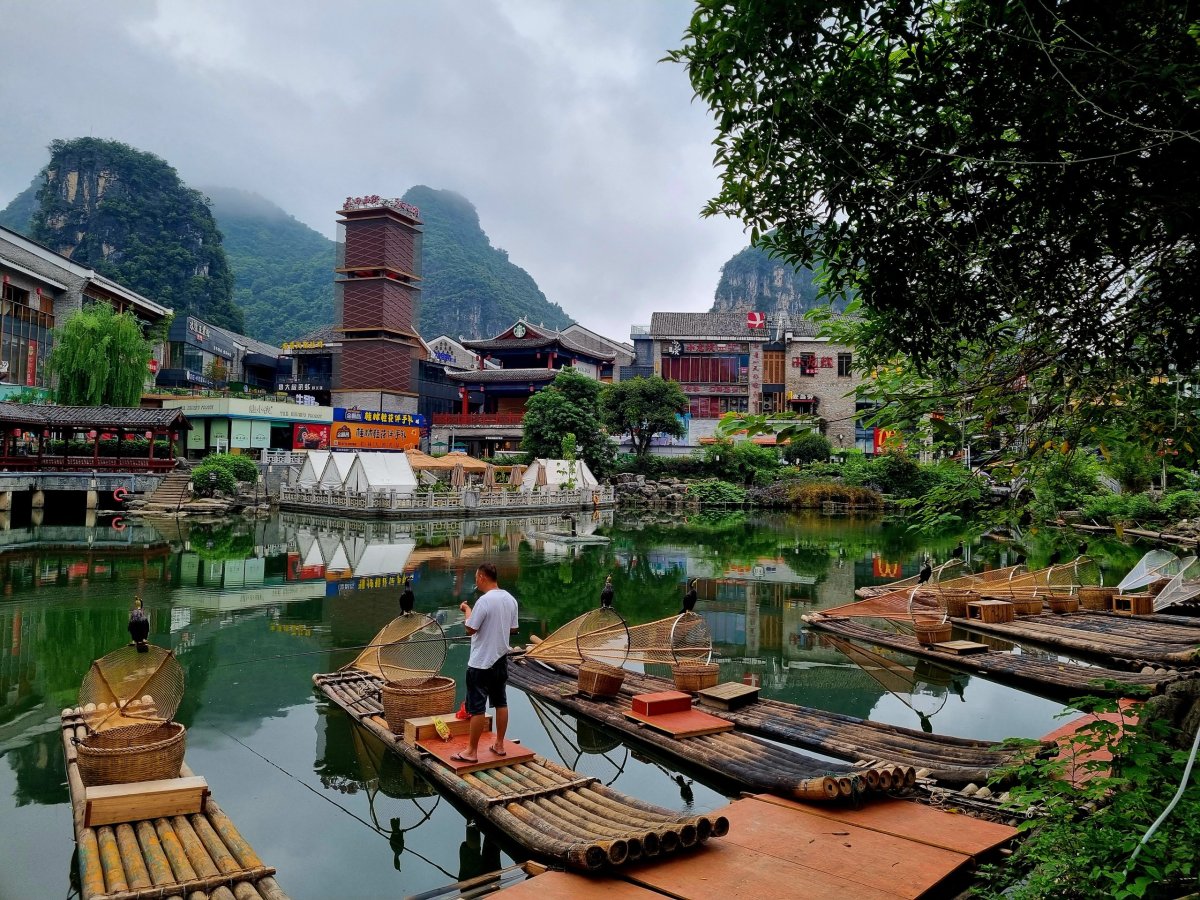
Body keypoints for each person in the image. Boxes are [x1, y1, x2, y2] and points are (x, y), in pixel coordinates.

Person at [454, 563, 519, 763]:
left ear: (482, 576)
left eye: (476, 577)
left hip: (481, 662)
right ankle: (499, 744)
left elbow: (470, 629)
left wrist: (466, 610)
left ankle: (471, 752)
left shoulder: (484, 601)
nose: (475, 580)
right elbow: (514, 629)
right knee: (501, 702)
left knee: (477, 708)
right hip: (500, 659)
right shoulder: (510, 599)